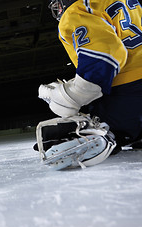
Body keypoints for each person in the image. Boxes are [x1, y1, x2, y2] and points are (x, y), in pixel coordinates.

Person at [37, 0, 142, 158]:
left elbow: (104, 55)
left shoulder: (78, 9)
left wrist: (73, 94)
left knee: (89, 130)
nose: (59, 9)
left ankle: (111, 135)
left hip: (128, 91)